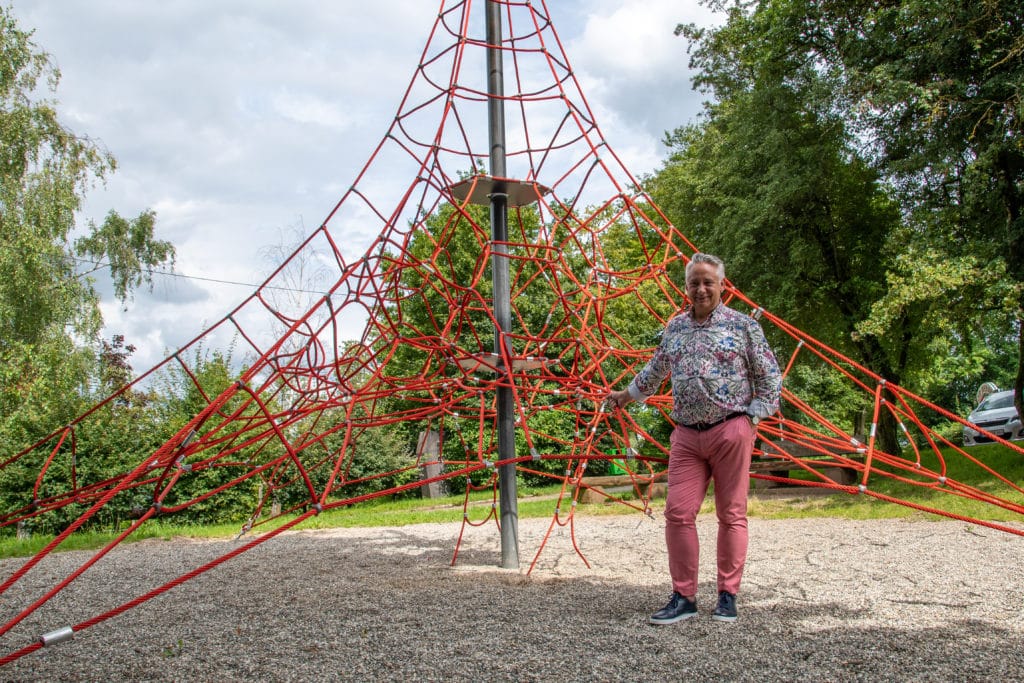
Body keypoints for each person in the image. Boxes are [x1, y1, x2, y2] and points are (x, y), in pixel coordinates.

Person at [607, 252, 781, 624]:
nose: (700, 289)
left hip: (730, 428)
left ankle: (727, 595)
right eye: (694, 282)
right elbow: (655, 370)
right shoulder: (675, 328)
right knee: (678, 512)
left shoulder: (742, 326)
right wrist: (626, 396)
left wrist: (751, 418)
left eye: (708, 282)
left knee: (731, 513)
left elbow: (770, 379)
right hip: (686, 434)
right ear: (685, 287)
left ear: (722, 285)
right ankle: (684, 596)